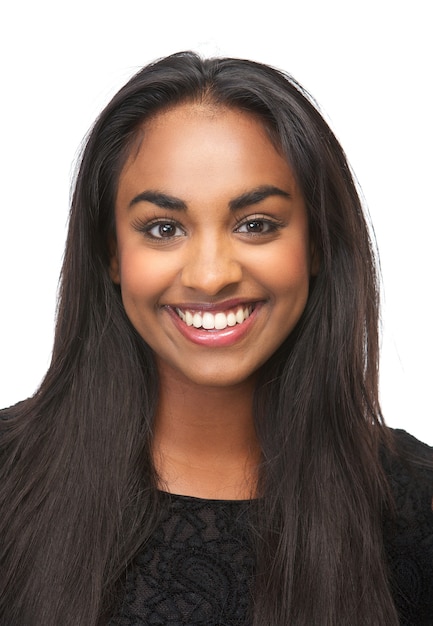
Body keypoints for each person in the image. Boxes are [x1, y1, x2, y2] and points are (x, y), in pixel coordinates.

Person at [0, 51, 432, 626]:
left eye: (256, 225)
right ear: (111, 253)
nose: (210, 275)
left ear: (319, 244)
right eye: (163, 228)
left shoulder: (418, 507)